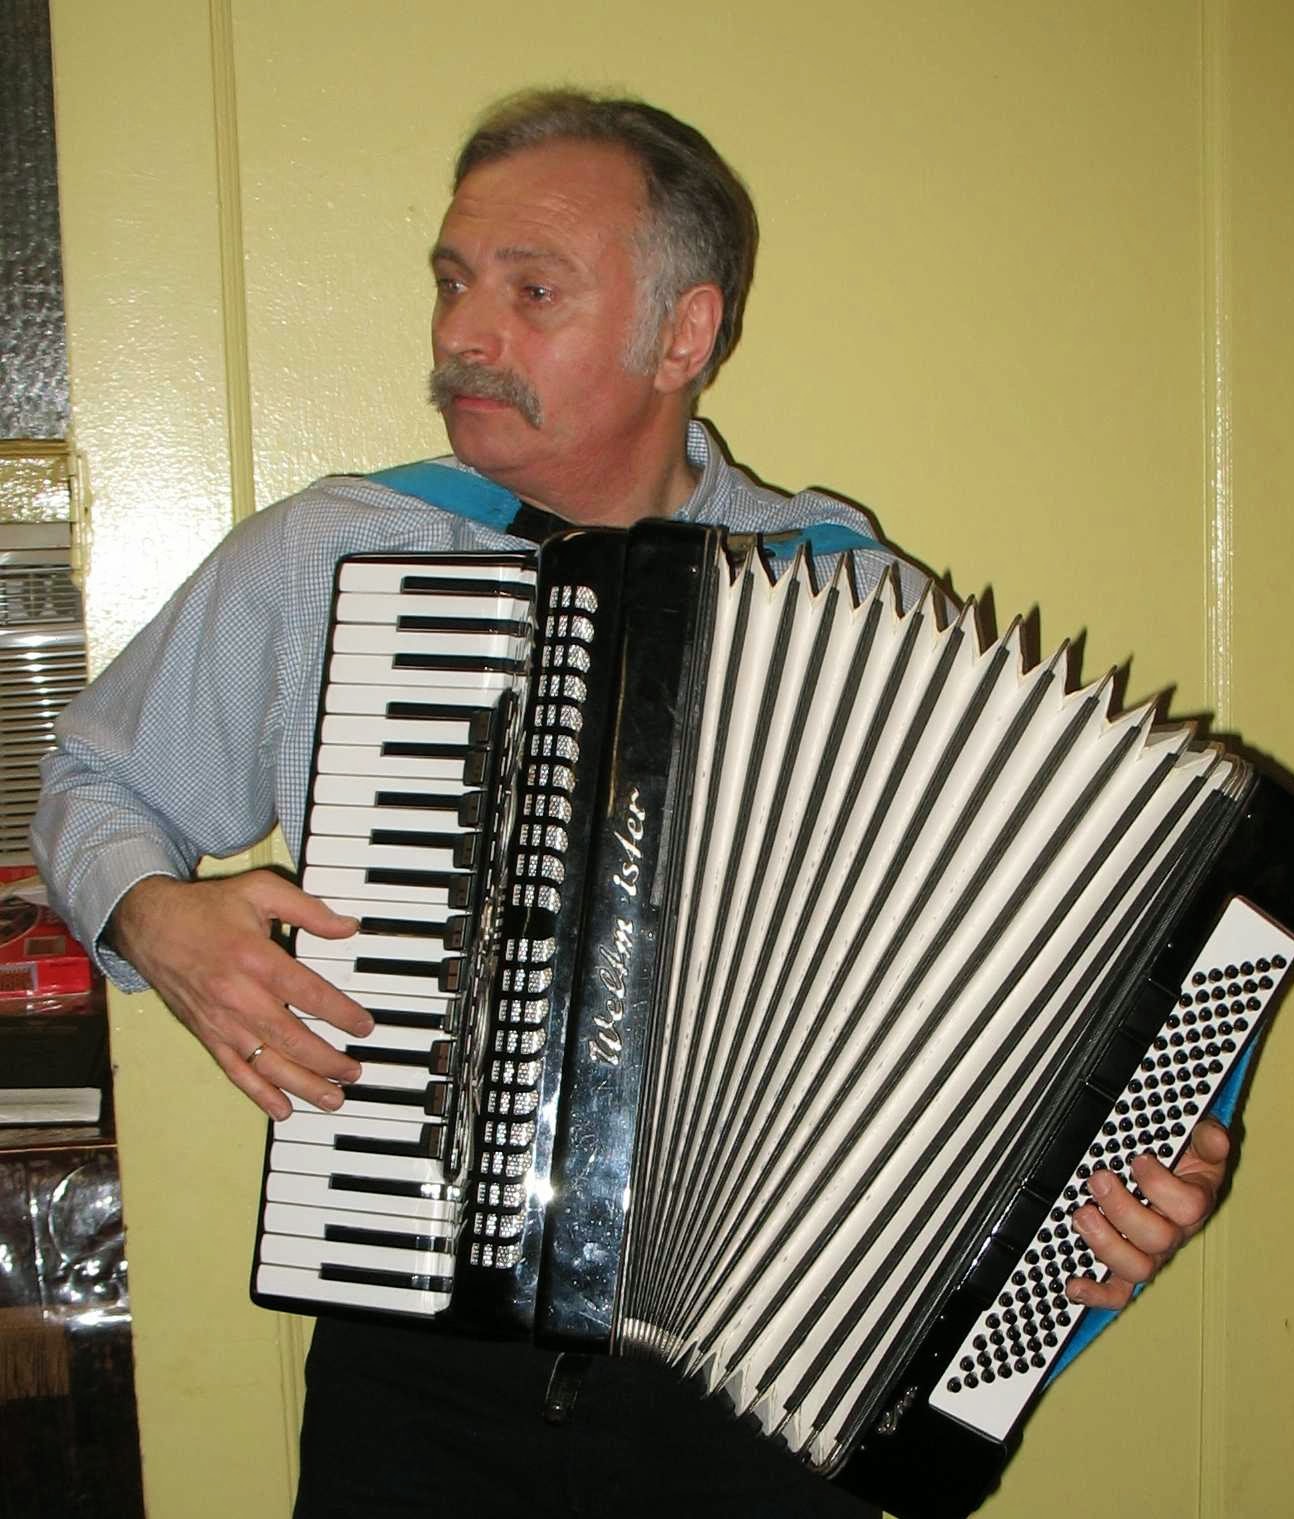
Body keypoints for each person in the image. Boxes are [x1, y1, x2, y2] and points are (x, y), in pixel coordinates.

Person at [31, 90, 1231, 1518]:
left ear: (684, 335)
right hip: (422, 1368)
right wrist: (156, 917)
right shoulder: (332, 557)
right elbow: (93, 777)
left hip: (788, 1376)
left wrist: (1131, 1171)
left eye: (530, 290)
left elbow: (1060, 987)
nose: (463, 334)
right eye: (453, 280)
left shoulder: (859, 602)